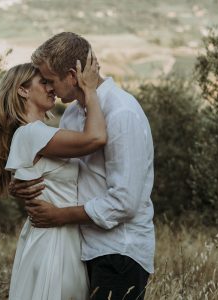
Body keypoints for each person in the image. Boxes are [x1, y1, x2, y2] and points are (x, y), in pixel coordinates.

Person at [10, 32, 155, 300]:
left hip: (119, 252)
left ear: (72, 76)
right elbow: (69, 174)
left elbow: (126, 201)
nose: (50, 89)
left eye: (51, 81)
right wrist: (25, 182)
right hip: (82, 250)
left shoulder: (122, 113)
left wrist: (60, 216)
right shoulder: (74, 115)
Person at [0, 51, 106, 300]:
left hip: (57, 236)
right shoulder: (33, 134)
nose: (51, 88)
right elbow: (95, 138)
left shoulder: (35, 133)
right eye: (44, 83)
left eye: (51, 82)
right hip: (54, 242)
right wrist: (91, 91)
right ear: (23, 91)